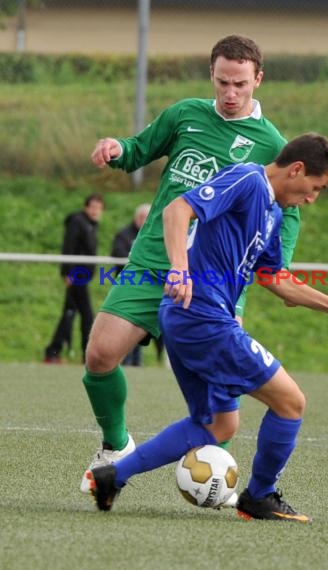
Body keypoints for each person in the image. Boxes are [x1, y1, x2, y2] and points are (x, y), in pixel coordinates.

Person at [85, 133, 328, 520]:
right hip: (203, 317)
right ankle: (260, 496)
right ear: (297, 170)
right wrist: (179, 270)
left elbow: (275, 278)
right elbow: (177, 210)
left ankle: (113, 475)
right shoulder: (247, 179)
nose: (311, 198)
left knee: (217, 425)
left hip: (191, 318)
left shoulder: (273, 213)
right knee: (291, 403)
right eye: (315, 188)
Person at [81, 35, 300, 495]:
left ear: (258, 79)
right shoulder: (185, 115)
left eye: (240, 83)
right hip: (155, 260)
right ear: (212, 76)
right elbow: (139, 148)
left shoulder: (272, 145)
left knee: (223, 418)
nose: (230, 92)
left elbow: (289, 208)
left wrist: (277, 267)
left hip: (217, 283)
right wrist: (117, 149)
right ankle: (115, 447)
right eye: (222, 82)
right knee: (99, 356)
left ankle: (211, 477)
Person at [43, 193, 105, 364]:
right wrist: (67, 273)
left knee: (69, 313)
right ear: (86, 207)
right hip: (76, 275)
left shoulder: (91, 225)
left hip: (82, 276)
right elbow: (68, 247)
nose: (95, 211)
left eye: (99, 208)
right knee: (86, 315)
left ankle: (53, 351)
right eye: (93, 207)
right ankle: (85, 355)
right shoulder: (78, 222)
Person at [111, 203, 151, 366]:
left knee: (139, 326)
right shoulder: (123, 235)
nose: (143, 221)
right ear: (136, 217)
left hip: (145, 287)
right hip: (126, 286)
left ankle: (136, 363)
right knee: (125, 324)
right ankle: (123, 361)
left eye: (146, 218)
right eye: (141, 217)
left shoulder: (152, 235)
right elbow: (118, 253)